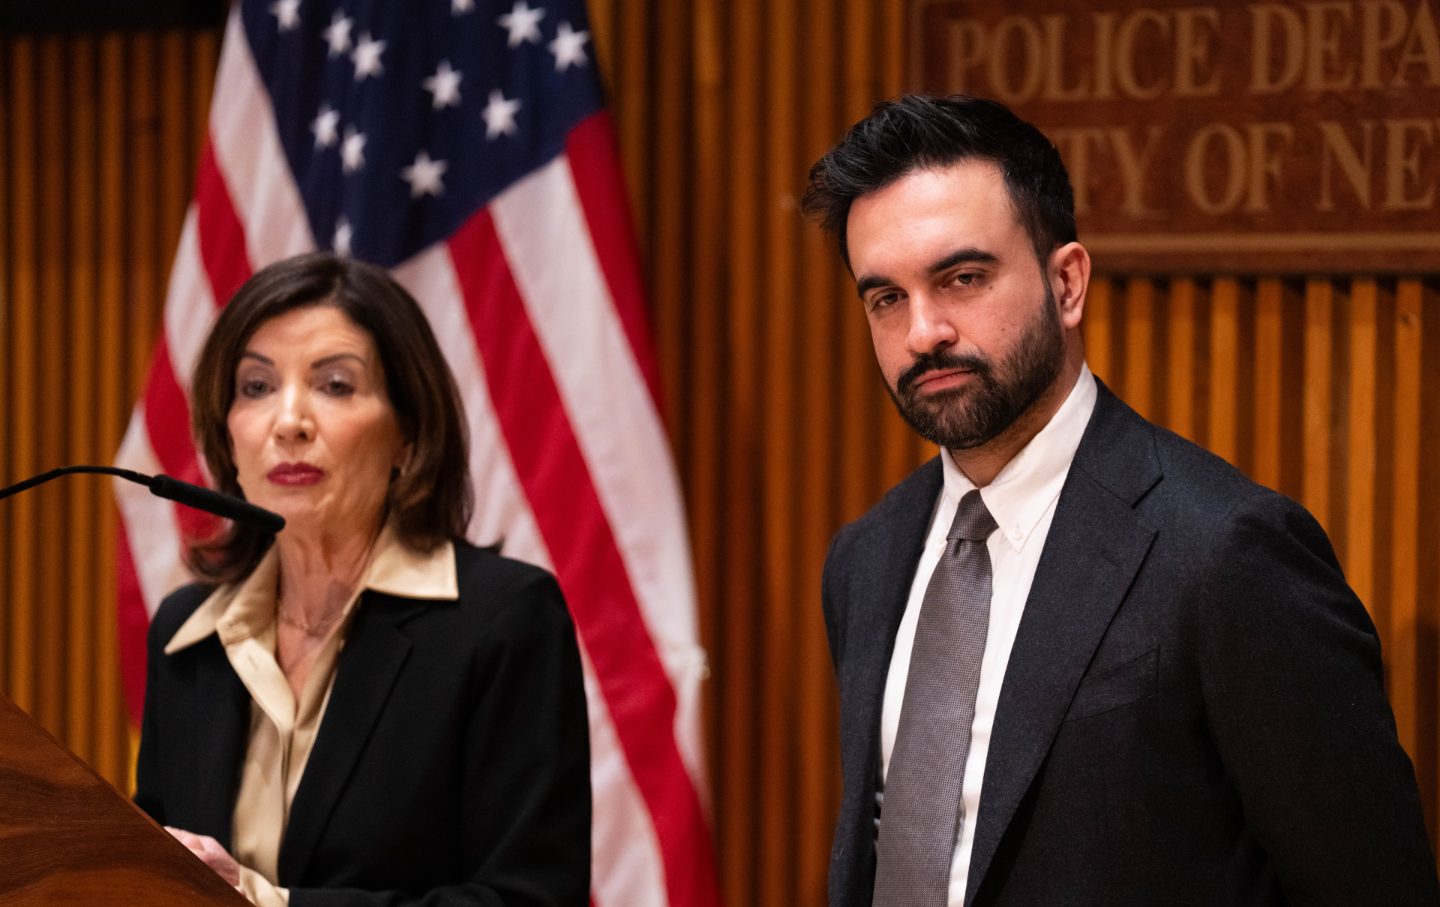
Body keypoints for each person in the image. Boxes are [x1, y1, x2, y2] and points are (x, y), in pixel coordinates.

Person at [803, 95, 1439, 906]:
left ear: (1066, 283)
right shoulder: (867, 557)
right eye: (885, 297)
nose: (923, 330)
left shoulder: (1224, 552)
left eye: (962, 277)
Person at [134, 252, 590, 906]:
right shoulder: (186, 635)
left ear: (407, 435)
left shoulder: (502, 621)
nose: (288, 421)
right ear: (227, 436)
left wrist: (269, 903)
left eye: (336, 385)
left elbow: (528, 898)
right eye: (256, 387)